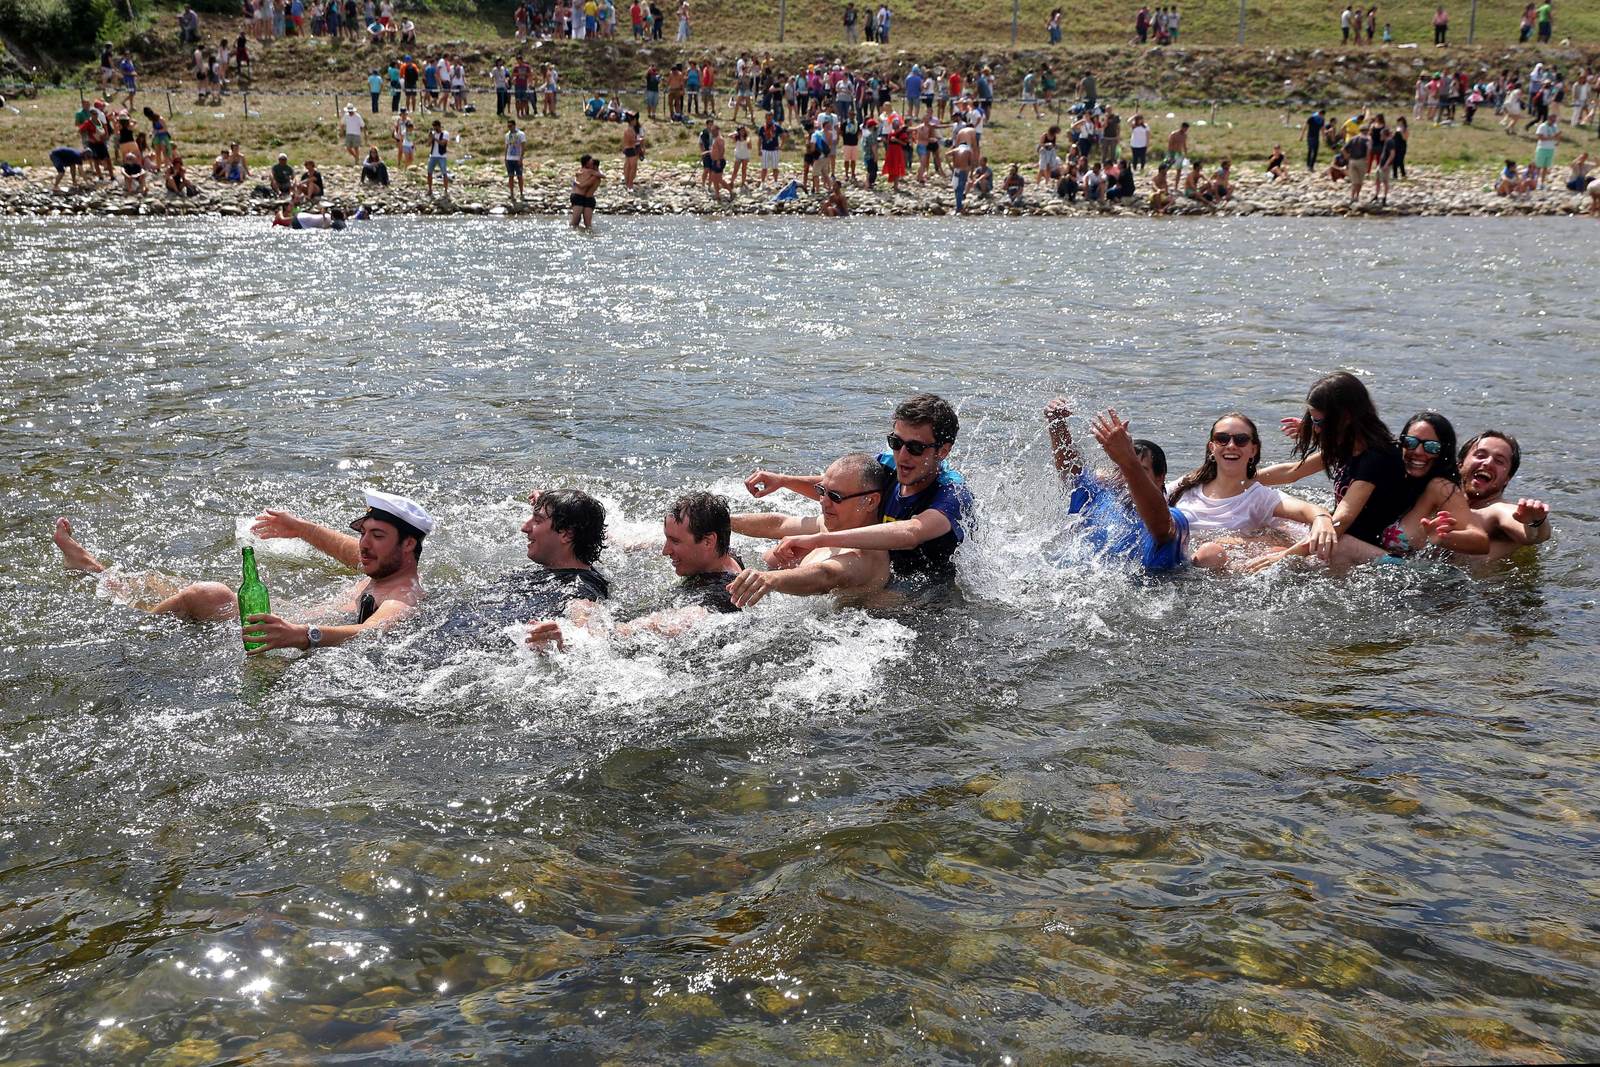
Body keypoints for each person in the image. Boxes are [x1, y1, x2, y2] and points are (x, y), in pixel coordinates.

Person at [51, 490, 429, 652]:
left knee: (208, 593)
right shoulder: (380, 564)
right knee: (158, 583)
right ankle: (96, 572)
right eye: (363, 533)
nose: (364, 544)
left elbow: (367, 632)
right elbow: (347, 549)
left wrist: (300, 634)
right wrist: (302, 528)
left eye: (377, 536)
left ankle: (129, 629)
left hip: (277, 633)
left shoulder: (401, 596)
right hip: (284, 618)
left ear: (408, 544)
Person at [746, 393, 974, 581]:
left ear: (943, 451)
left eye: (915, 447)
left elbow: (911, 532)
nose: (902, 456)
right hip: (880, 567)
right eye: (896, 442)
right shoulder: (888, 465)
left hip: (922, 593)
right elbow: (844, 491)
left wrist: (818, 539)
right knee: (777, 557)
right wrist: (784, 481)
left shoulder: (952, 494)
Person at [526, 491, 742, 650]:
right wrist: (562, 516)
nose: (665, 550)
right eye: (666, 538)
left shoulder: (719, 598)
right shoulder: (722, 553)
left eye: (674, 541)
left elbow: (626, 635)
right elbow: (626, 540)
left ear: (708, 541)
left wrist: (571, 637)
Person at [1253, 371, 1411, 567]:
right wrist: (1238, 478)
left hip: (1381, 555)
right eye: (1311, 420)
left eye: (1319, 422)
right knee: (1273, 526)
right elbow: (1292, 472)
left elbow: (1340, 522)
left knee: (1332, 544)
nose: (1315, 429)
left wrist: (1282, 558)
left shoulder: (1377, 457)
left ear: (1345, 418)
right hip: (1353, 540)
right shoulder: (1347, 445)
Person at [1166, 413, 1337, 569]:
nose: (1231, 445)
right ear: (1212, 447)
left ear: (1253, 450)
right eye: (1222, 438)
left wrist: (1321, 518)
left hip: (1214, 577)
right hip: (1171, 563)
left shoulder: (1258, 496)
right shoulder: (1186, 484)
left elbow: (1307, 509)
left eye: (1241, 440)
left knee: (1211, 553)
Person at [726, 453, 893, 608]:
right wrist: (722, 520)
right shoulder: (837, 523)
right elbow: (779, 524)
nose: (823, 502)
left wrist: (770, 579)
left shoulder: (868, 557)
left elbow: (826, 576)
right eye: (821, 491)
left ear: (870, 502)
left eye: (835, 497)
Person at [1045, 399, 1189, 574]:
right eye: (1120, 469)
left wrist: (1127, 461)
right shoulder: (1097, 499)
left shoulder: (1175, 518)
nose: (1127, 477)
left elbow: (1161, 526)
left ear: (1160, 478)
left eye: (1141, 471)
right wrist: (1057, 424)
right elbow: (1070, 470)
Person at [1456, 430, 1553, 559]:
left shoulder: (1497, 511)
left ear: (1507, 478)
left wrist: (1535, 522)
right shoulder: (1441, 499)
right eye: (1480, 455)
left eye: (1499, 461)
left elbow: (1534, 536)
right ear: (1459, 464)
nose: (1488, 462)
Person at [570, 153, 602, 228]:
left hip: (587, 199)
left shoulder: (593, 175)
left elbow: (582, 185)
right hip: (581, 198)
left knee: (582, 223)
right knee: (578, 222)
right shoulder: (587, 172)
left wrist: (575, 182)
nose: (590, 166)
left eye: (592, 164)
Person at [426, 119, 451, 196]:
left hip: (441, 156)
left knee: (444, 173)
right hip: (433, 155)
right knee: (429, 172)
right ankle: (430, 189)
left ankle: (446, 190)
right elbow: (428, 144)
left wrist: (435, 138)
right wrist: (430, 137)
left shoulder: (445, 133)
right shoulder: (434, 134)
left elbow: (443, 143)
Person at [504, 117, 526, 199]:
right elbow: (506, 146)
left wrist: (521, 158)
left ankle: (521, 193)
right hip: (509, 158)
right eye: (508, 126)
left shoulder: (521, 134)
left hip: (517, 158)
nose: (509, 128)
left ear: (514, 125)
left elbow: (523, 146)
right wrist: (505, 157)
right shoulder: (507, 135)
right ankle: (512, 193)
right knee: (510, 176)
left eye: (510, 126)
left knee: (519, 176)